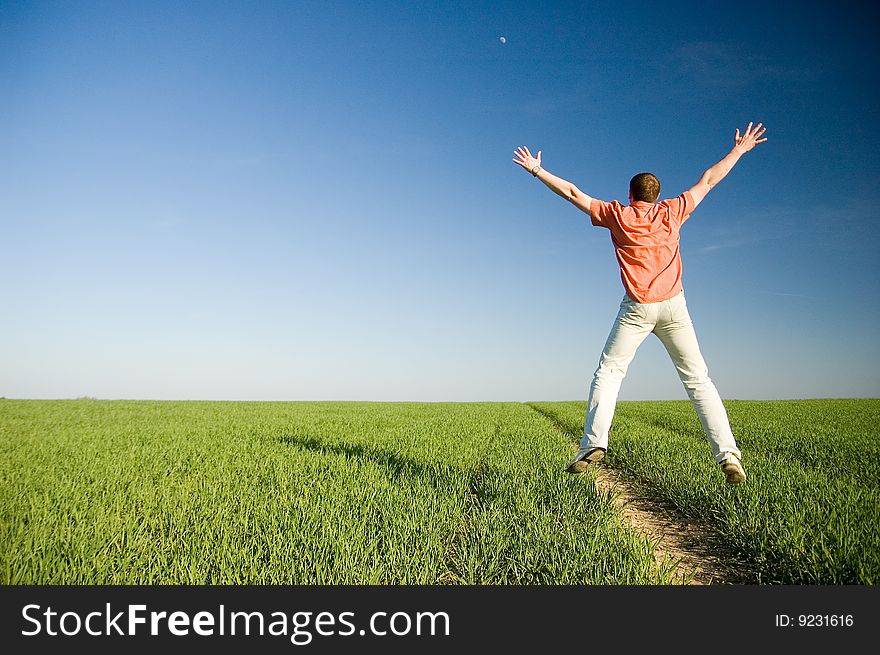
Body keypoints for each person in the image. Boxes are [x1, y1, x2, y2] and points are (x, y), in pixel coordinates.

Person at [512, 122, 767, 484]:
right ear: (655, 195)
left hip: (637, 309)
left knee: (609, 372)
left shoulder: (618, 214)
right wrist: (739, 150)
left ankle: (593, 445)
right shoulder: (673, 211)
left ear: (631, 195)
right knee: (699, 381)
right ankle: (728, 455)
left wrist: (537, 169)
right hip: (674, 307)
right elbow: (709, 179)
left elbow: (572, 192)